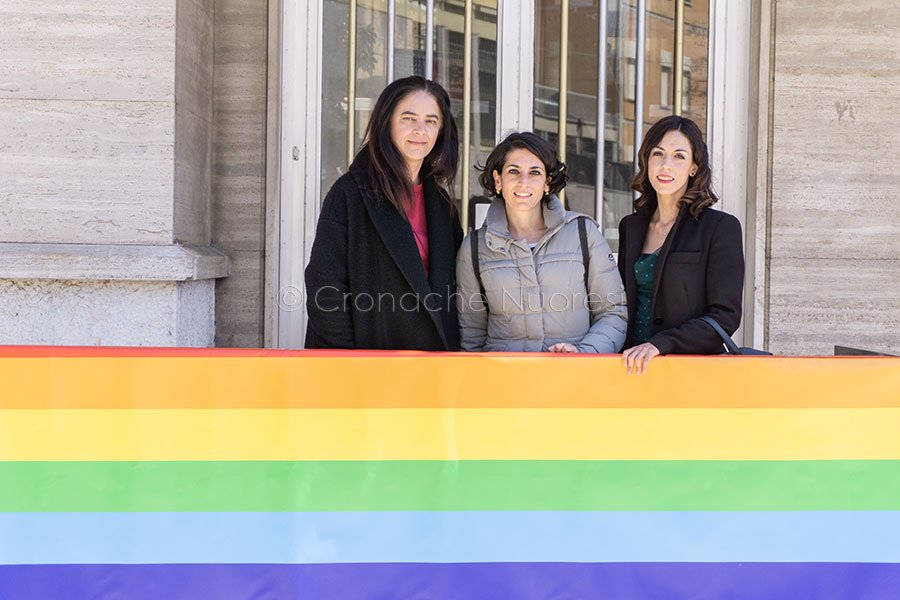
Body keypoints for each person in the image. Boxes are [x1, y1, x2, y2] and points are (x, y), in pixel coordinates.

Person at [304, 76, 463, 350]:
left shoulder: (441, 203)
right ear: (386, 122)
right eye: (408, 118)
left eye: (431, 121)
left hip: (432, 362)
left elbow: (455, 289)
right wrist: (353, 361)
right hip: (367, 361)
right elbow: (325, 288)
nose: (420, 130)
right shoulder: (350, 194)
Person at [456, 132, 627, 353]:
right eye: (514, 171)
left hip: (572, 372)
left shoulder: (583, 233)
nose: (524, 182)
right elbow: (472, 336)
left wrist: (583, 353)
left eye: (535, 172)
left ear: (547, 182)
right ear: (498, 180)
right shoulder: (474, 248)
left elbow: (613, 312)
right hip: (504, 373)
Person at [619, 115, 744, 374]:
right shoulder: (631, 227)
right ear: (647, 160)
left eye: (679, 156)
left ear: (693, 167)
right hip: (630, 368)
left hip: (687, 372)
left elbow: (725, 316)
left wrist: (661, 344)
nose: (666, 165)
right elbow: (619, 305)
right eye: (658, 154)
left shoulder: (720, 228)